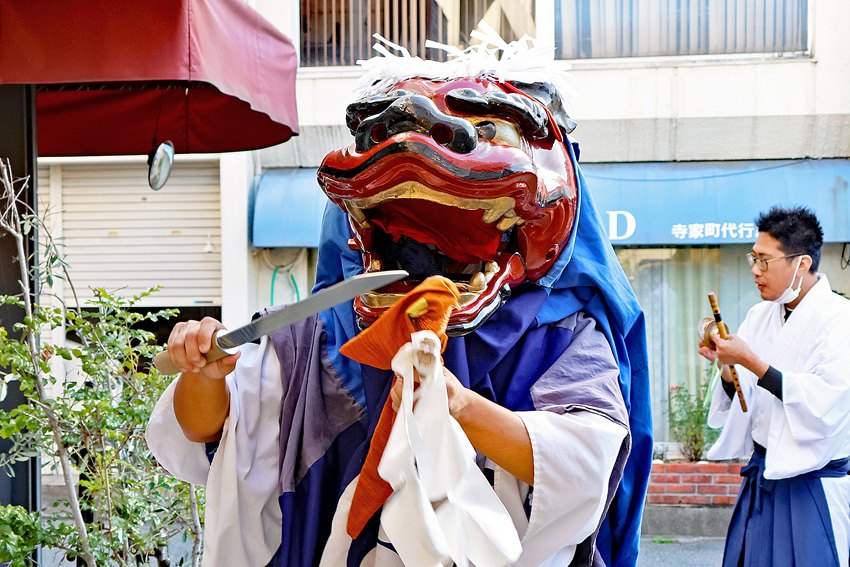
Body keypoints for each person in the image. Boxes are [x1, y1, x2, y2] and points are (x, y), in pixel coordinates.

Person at [146, 28, 652, 567]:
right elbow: (208, 434)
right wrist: (203, 373)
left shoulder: (561, 337)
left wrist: (458, 406)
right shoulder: (309, 338)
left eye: (489, 128)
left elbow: (586, 461)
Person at [700, 205, 850, 567]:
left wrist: (751, 361)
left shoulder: (840, 319)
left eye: (764, 261)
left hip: (812, 487)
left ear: (801, 264)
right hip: (763, 477)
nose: (755, 270)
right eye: (754, 258)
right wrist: (727, 365)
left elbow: (825, 402)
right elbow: (746, 398)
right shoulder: (759, 315)